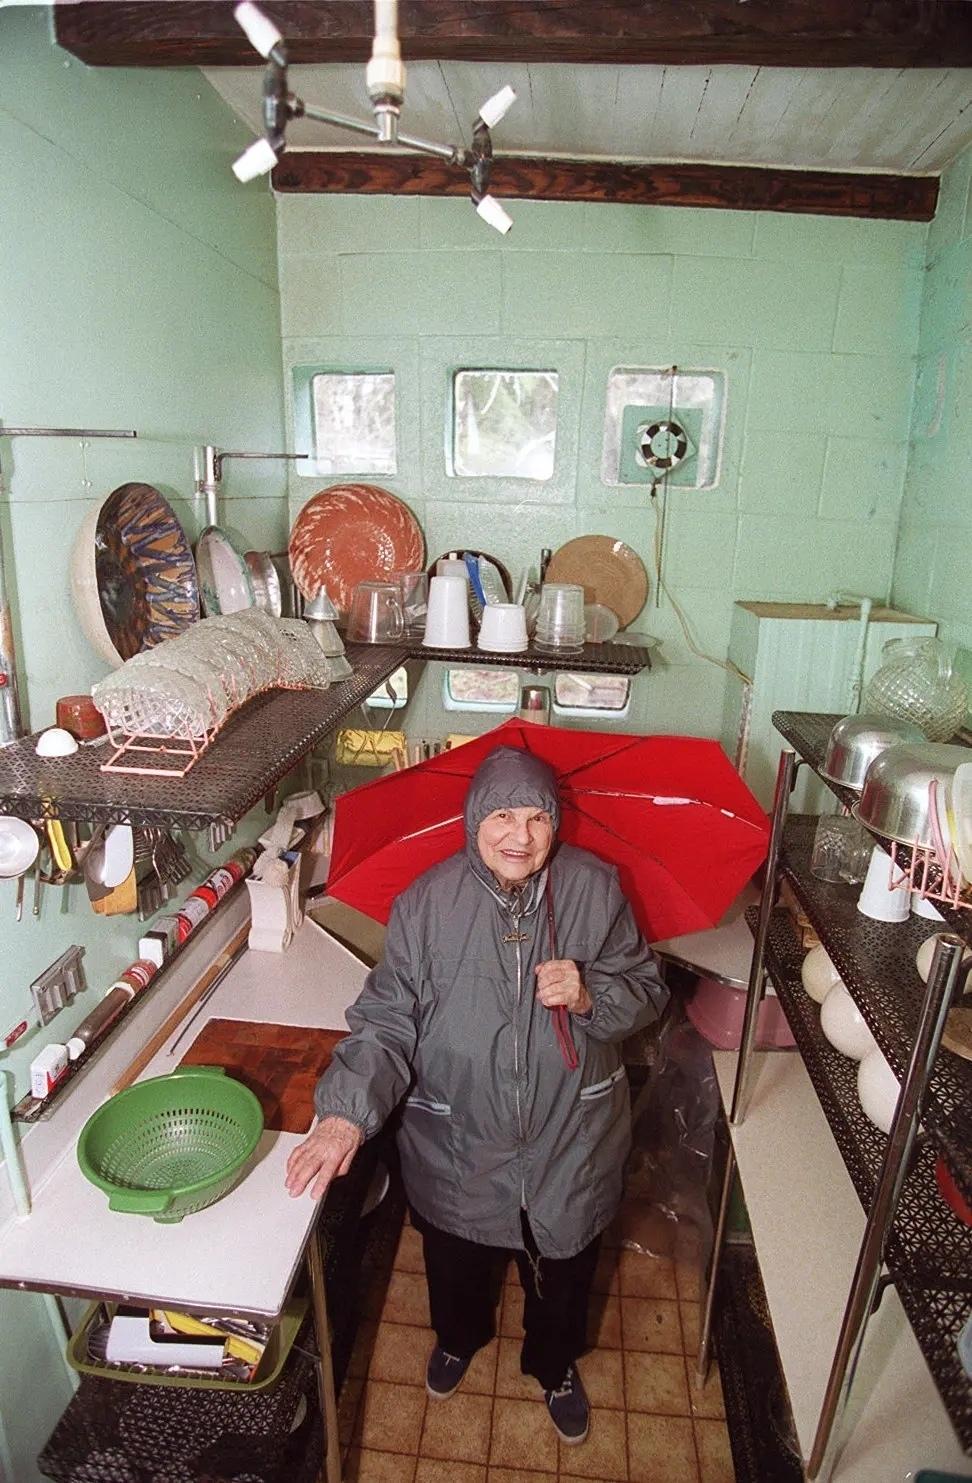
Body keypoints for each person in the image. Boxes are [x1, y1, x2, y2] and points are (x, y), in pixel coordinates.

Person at [286, 745, 667, 1444]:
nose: (520, 835)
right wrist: (344, 1114)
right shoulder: (426, 904)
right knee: (456, 1268)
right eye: (502, 816)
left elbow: (646, 988)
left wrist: (591, 994)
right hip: (458, 1143)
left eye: (536, 817)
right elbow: (387, 1020)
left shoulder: (594, 889)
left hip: (570, 1145)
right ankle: (459, 1338)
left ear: (555, 822)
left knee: (563, 1276)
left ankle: (553, 1364)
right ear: (473, 820)